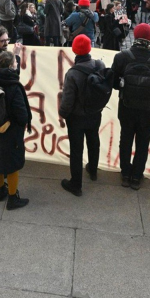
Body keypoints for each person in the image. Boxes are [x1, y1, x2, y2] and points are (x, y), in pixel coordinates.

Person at [110, 23, 150, 190]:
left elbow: (114, 83)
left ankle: (125, 174)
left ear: (135, 36)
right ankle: (136, 177)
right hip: (149, 109)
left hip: (126, 107)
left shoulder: (122, 57)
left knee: (126, 140)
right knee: (143, 143)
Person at [0, 51, 32, 210]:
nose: (17, 66)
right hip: (11, 131)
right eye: (15, 64)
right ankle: (12, 198)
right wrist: (23, 122)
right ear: (10, 67)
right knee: (12, 164)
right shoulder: (14, 86)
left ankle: (1, 190)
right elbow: (21, 114)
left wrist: (15, 54)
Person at [59, 35, 105, 196]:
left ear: (74, 51)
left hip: (77, 117)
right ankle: (93, 170)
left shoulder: (72, 74)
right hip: (95, 113)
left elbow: (68, 100)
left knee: (76, 150)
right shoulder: (100, 65)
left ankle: (76, 184)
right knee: (94, 141)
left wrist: (62, 114)